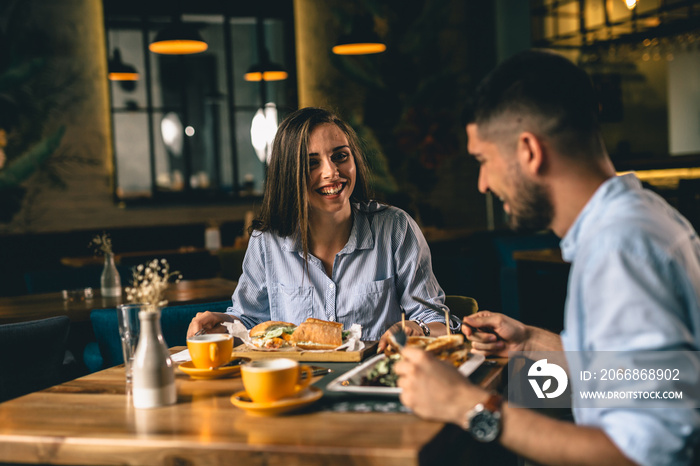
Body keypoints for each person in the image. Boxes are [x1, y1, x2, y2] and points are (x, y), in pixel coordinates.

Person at [395, 49, 700, 465]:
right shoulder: (637, 220)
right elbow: (648, 378)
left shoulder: (619, 249)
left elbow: (645, 453)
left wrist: (465, 404)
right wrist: (531, 344)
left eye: (483, 161)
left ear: (529, 151)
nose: (483, 184)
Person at [187, 107, 448, 345]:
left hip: (373, 384)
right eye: (312, 163)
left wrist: (418, 328)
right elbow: (250, 322)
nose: (332, 172)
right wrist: (220, 327)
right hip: (295, 386)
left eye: (340, 156)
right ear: (289, 173)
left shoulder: (395, 229)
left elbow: (436, 321)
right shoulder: (266, 241)